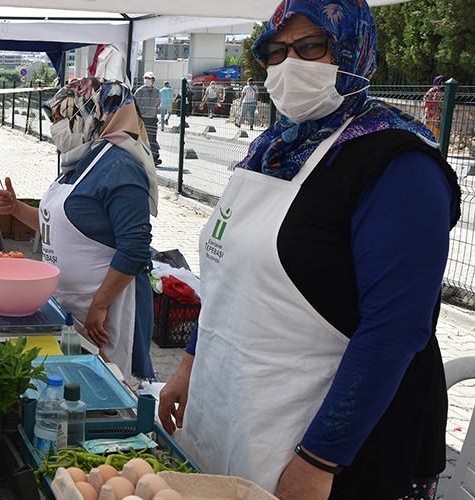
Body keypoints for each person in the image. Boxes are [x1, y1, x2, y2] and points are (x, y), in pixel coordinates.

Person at [157, 1, 459, 498]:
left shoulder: (398, 163)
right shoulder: (273, 148)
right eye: (275, 52)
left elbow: (395, 329)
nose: (288, 64)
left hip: (339, 452)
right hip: (238, 408)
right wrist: (191, 364)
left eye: (310, 46)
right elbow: (226, 277)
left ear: (354, 49)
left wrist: (319, 461)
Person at [0, 77, 158, 385]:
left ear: (95, 115)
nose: (60, 127)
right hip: (71, 305)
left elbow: (135, 248)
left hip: (104, 312)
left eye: (65, 118)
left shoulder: (121, 168)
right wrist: (17, 209)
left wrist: (100, 304)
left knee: (110, 387)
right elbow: (56, 225)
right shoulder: (83, 160)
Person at [134, 72, 162, 165]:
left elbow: (158, 103)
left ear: (153, 80)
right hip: (142, 119)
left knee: (152, 138)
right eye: (145, 78)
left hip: (152, 119)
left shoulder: (157, 91)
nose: (147, 80)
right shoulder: (140, 91)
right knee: (142, 139)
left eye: (149, 78)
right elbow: (135, 105)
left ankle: (154, 156)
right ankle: (142, 157)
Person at [423, 75, 446, 141]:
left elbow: (425, 103)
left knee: (427, 137)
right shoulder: (444, 91)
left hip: (431, 118)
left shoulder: (435, 90)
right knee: (435, 138)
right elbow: (425, 103)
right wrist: (435, 100)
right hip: (438, 119)